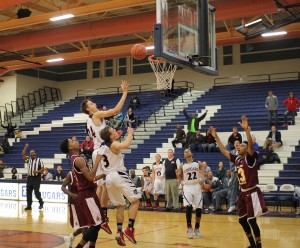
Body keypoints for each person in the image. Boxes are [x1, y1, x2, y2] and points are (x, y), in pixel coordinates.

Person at [80, 79, 129, 235]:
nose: (95, 104)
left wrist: (115, 134)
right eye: (92, 103)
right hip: (101, 150)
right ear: (88, 109)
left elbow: (103, 133)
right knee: (104, 185)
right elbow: (115, 110)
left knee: (102, 186)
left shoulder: (92, 119)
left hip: (98, 150)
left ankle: (102, 218)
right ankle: (102, 217)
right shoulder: (96, 115)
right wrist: (125, 93)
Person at [211, 116, 268, 248]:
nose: (239, 147)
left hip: (252, 192)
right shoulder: (237, 160)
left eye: (242, 146)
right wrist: (216, 137)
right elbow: (224, 151)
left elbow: (249, 145)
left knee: (252, 221)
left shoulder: (250, 159)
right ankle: (252, 244)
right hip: (243, 193)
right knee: (242, 220)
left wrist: (246, 130)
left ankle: (258, 245)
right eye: (238, 146)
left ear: (247, 149)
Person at [97, 126, 141, 246]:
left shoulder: (103, 146)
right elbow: (125, 145)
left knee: (121, 205)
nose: (116, 131)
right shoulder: (114, 144)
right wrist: (130, 133)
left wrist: (117, 135)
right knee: (136, 201)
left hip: (109, 179)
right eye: (113, 131)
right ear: (110, 136)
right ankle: (130, 229)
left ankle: (119, 232)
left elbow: (112, 145)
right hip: (118, 174)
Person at [60, 138, 104, 248]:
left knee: (95, 223)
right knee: (97, 224)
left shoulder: (77, 159)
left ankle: (91, 246)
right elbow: (90, 177)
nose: (75, 140)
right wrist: (97, 161)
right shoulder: (78, 160)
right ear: (70, 147)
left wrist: (104, 175)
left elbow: (90, 178)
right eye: (71, 141)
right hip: (86, 195)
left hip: (88, 193)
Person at [62, 170, 95, 248]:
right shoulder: (70, 174)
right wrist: (71, 195)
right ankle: (85, 244)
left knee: (88, 224)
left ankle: (70, 237)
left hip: (87, 200)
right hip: (77, 202)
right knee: (85, 224)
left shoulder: (86, 173)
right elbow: (62, 187)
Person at [176, 149, 204, 239]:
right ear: (184, 155)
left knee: (199, 209)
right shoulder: (182, 165)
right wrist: (179, 178)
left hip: (196, 186)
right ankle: (189, 228)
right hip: (187, 186)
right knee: (188, 207)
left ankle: (197, 228)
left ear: (191, 153)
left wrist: (202, 178)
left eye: (188, 151)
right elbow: (179, 176)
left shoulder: (198, 163)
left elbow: (203, 170)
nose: (187, 152)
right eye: (185, 152)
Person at [22, 144, 44, 211]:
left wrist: (37, 171)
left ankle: (41, 202)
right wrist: (25, 147)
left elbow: (43, 169)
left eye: (34, 153)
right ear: (30, 155)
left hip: (37, 178)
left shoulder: (39, 160)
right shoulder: (28, 159)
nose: (34, 154)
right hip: (30, 178)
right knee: (28, 192)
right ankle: (29, 206)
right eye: (32, 154)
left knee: (36, 192)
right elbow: (23, 155)